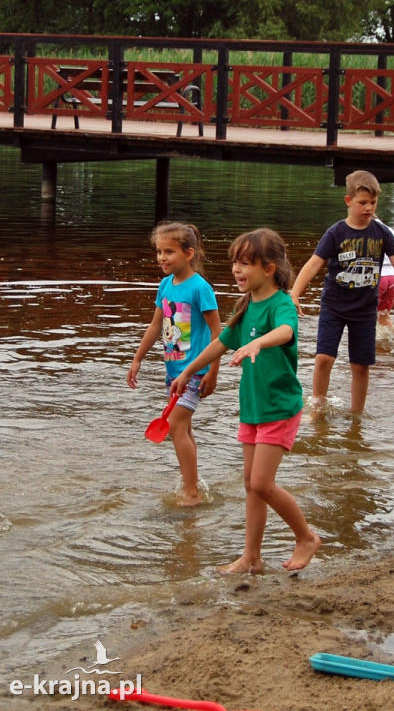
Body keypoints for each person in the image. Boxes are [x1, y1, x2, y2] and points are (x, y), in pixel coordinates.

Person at [170, 228, 321, 573]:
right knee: (250, 485)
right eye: (235, 263)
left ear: (269, 268)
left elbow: (286, 331)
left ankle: (306, 537)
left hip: (279, 406)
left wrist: (258, 343)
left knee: (262, 483)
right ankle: (251, 557)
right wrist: (188, 372)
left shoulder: (281, 304)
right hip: (253, 406)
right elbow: (219, 344)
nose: (237, 270)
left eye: (245, 264)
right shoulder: (245, 307)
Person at [290, 170, 394, 415]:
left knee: (361, 365)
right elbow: (314, 263)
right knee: (324, 358)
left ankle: (357, 416)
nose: (368, 208)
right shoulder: (336, 233)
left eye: (373, 203)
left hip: (365, 309)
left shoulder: (382, 233)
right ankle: (317, 406)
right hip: (334, 305)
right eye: (362, 202)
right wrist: (294, 294)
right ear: (348, 201)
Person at [127, 222, 221, 507]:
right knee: (185, 428)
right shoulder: (166, 285)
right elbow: (156, 325)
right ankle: (191, 482)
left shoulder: (200, 288)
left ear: (189, 253)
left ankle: (191, 492)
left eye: (169, 251)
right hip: (173, 373)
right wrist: (137, 358)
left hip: (196, 372)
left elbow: (220, 334)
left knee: (175, 426)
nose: (162, 257)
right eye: (159, 251)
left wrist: (213, 374)